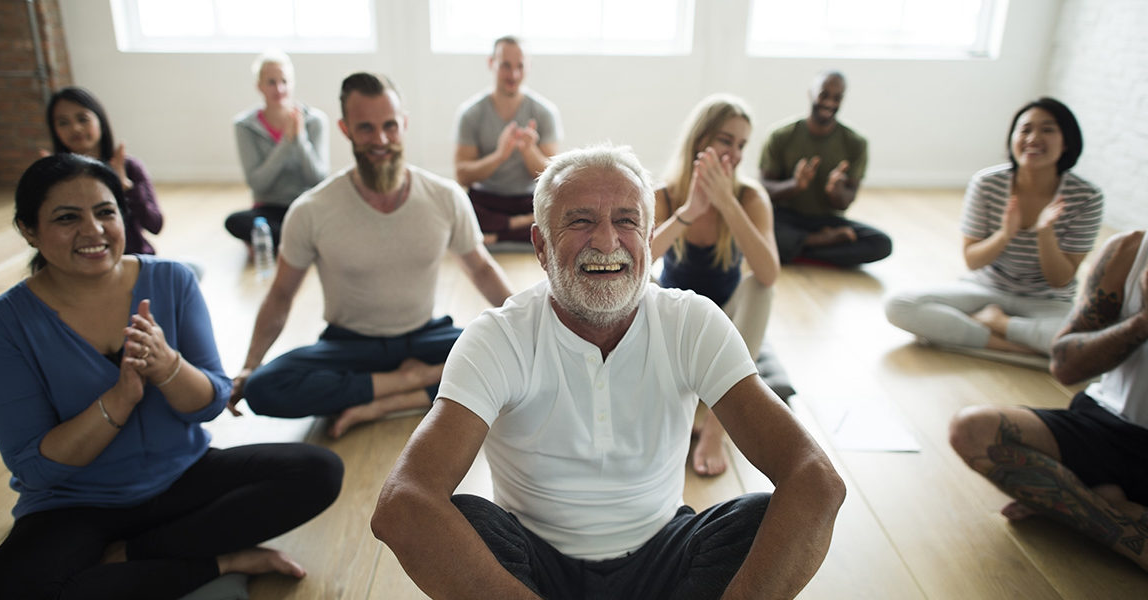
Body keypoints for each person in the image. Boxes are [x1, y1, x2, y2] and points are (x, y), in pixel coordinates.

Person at [372, 145, 845, 599]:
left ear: (649, 235)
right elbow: (403, 503)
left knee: (762, 520)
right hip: (535, 564)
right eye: (580, 221)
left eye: (626, 221)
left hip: (664, 555)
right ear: (540, 244)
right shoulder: (499, 337)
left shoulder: (690, 322)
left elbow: (815, 479)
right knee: (464, 521)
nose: (605, 240)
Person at [0, 154, 344, 599]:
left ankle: (135, 555)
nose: (93, 231)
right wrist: (118, 401)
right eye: (67, 218)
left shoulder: (170, 281)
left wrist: (168, 368)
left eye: (105, 212)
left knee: (318, 471)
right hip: (74, 504)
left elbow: (209, 403)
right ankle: (218, 562)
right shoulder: (5, 326)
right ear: (29, 230)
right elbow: (35, 468)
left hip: (182, 478)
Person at [229, 72, 513, 438]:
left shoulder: (444, 197)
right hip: (348, 347)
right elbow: (282, 294)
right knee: (263, 388)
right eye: (366, 128)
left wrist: (523, 325)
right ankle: (419, 385)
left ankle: (383, 401)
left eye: (390, 127)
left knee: (506, 354)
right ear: (345, 129)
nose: (380, 140)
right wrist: (250, 365)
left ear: (404, 124)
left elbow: (482, 270)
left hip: (425, 339)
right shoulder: (312, 209)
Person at [948, 229, 1148, 572]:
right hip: (1106, 423)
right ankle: (1130, 535)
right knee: (973, 429)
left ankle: (1082, 500)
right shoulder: (1128, 252)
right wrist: (1142, 322)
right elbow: (1065, 366)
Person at [885, 98, 1104, 359]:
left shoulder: (1086, 197)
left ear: (1067, 141)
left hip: (1046, 302)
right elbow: (973, 260)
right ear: (1012, 139)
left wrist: (1045, 233)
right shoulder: (987, 184)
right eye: (1025, 130)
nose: (1033, 138)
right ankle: (1016, 348)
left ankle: (994, 326)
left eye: (1047, 130)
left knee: (1089, 345)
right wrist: (1005, 234)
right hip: (985, 290)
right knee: (899, 305)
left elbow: (1060, 280)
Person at [651, 93, 780, 477]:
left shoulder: (750, 197)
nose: (736, 154)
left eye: (742, 145)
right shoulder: (665, 194)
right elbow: (639, 263)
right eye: (726, 140)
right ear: (700, 140)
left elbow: (769, 273)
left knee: (760, 287)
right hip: (677, 321)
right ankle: (691, 403)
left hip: (726, 324)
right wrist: (689, 212)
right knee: (641, 282)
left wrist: (727, 204)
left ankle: (714, 429)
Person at [759, 70, 891, 266]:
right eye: (824, 95)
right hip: (787, 219)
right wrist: (794, 185)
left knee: (881, 244)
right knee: (755, 227)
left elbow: (846, 201)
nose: (829, 103)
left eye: (837, 98)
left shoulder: (856, 143)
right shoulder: (780, 136)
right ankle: (820, 244)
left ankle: (797, 249)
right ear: (810, 93)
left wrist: (837, 192)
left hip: (828, 222)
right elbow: (763, 190)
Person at [455, 35, 562, 245]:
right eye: (505, 65)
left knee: (558, 211)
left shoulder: (544, 112)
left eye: (520, 66)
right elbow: (462, 176)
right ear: (491, 64)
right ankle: (519, 227)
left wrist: (528, 151)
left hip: (527, 200)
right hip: (487, 201)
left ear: (528, 66)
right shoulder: (471, 114)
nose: (513, 74)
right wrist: (499, 156)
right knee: (459, 207)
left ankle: (497, 234)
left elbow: (553, 179)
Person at [227, 51, 330, 249]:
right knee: (235, 221)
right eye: (271, 82)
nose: (279, 88)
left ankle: (280, 242)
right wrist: (286, 143)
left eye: (284, 81)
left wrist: (299, 139)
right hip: (269, 209)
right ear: (259, 86)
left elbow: (318, 178)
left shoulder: (315, 121)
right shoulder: (244, 126)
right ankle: (298, 241)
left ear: (293, 83)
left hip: (306, 206)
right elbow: (258, 184)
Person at [46, 86, 162, 255]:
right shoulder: (52, 174)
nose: (75, 128)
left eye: (82, 119)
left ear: (99, 120)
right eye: (63, 122)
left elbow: (155, 224)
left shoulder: (129, 167)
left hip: (132, 262)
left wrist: (126, 188)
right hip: (82, 266)